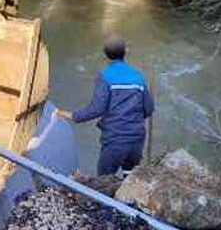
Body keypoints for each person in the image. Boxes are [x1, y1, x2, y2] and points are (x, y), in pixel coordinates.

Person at [56, 34, 154, 175]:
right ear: (125, 51)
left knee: (103, 180)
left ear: (105, 54)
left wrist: (72, 115)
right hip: (137, 141)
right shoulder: (138, 77)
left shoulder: (105, 76)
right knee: (129, 178)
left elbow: (97, 109)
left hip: (115, 141)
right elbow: (149, 109)